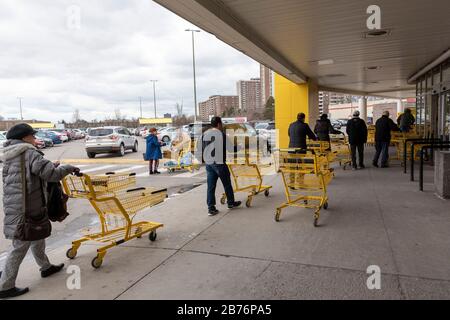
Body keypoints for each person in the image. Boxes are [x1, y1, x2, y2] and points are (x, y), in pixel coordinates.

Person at [0, 123, 79, 299]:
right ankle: (5, 286)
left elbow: (32, 172)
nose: (35, 139)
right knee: (20, 246)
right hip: (28, 207)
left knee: (38, 237)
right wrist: (68, 167)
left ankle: (45, 267)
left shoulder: (11, 155)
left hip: (18, 204)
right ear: (24, 138)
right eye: (32, 136)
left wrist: (49, 165)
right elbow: (52, 174)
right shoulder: (29, 153)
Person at [197, 117, 241, 216]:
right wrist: (240, 146)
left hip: (209, 164)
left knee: (211, 187)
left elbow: (200, 149)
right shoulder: (221, 134)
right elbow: (230, 149)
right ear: (218, 124)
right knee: (227, 184)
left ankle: (211, 208)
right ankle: (231, 203)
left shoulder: (204, 135)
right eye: (221, 123)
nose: (222, 125)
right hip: (219, 163)